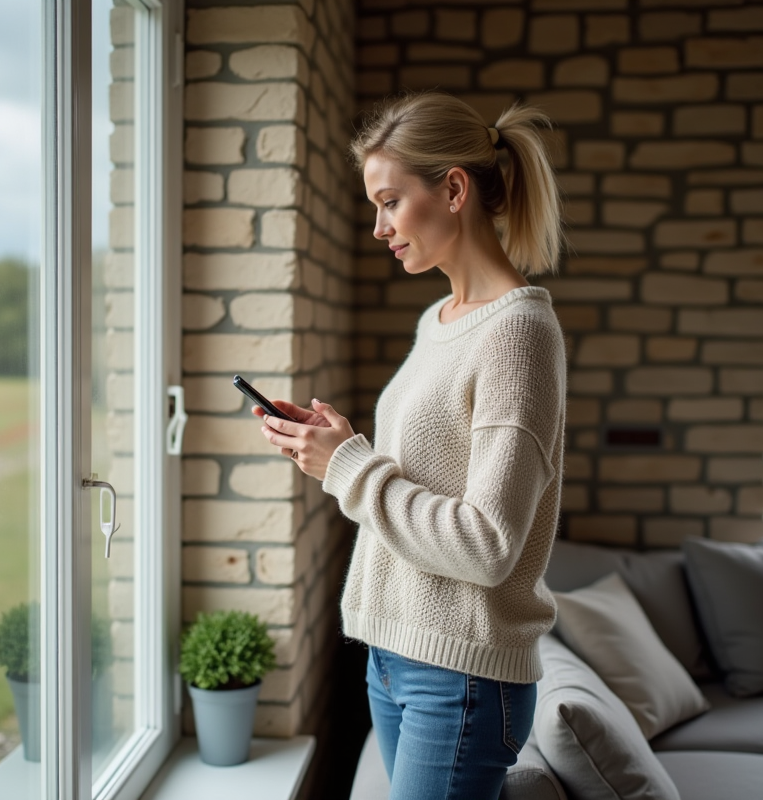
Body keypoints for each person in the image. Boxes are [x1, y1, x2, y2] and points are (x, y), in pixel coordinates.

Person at [252, 91, 567, 800]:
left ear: (453, 189)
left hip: (458, 676)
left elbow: (489, 545)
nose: (377, 226)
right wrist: (337, 449)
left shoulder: (518, 333)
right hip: (393, 656)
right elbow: (414, 473)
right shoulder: (440, 319)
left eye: (390, 201)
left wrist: (349, 466)